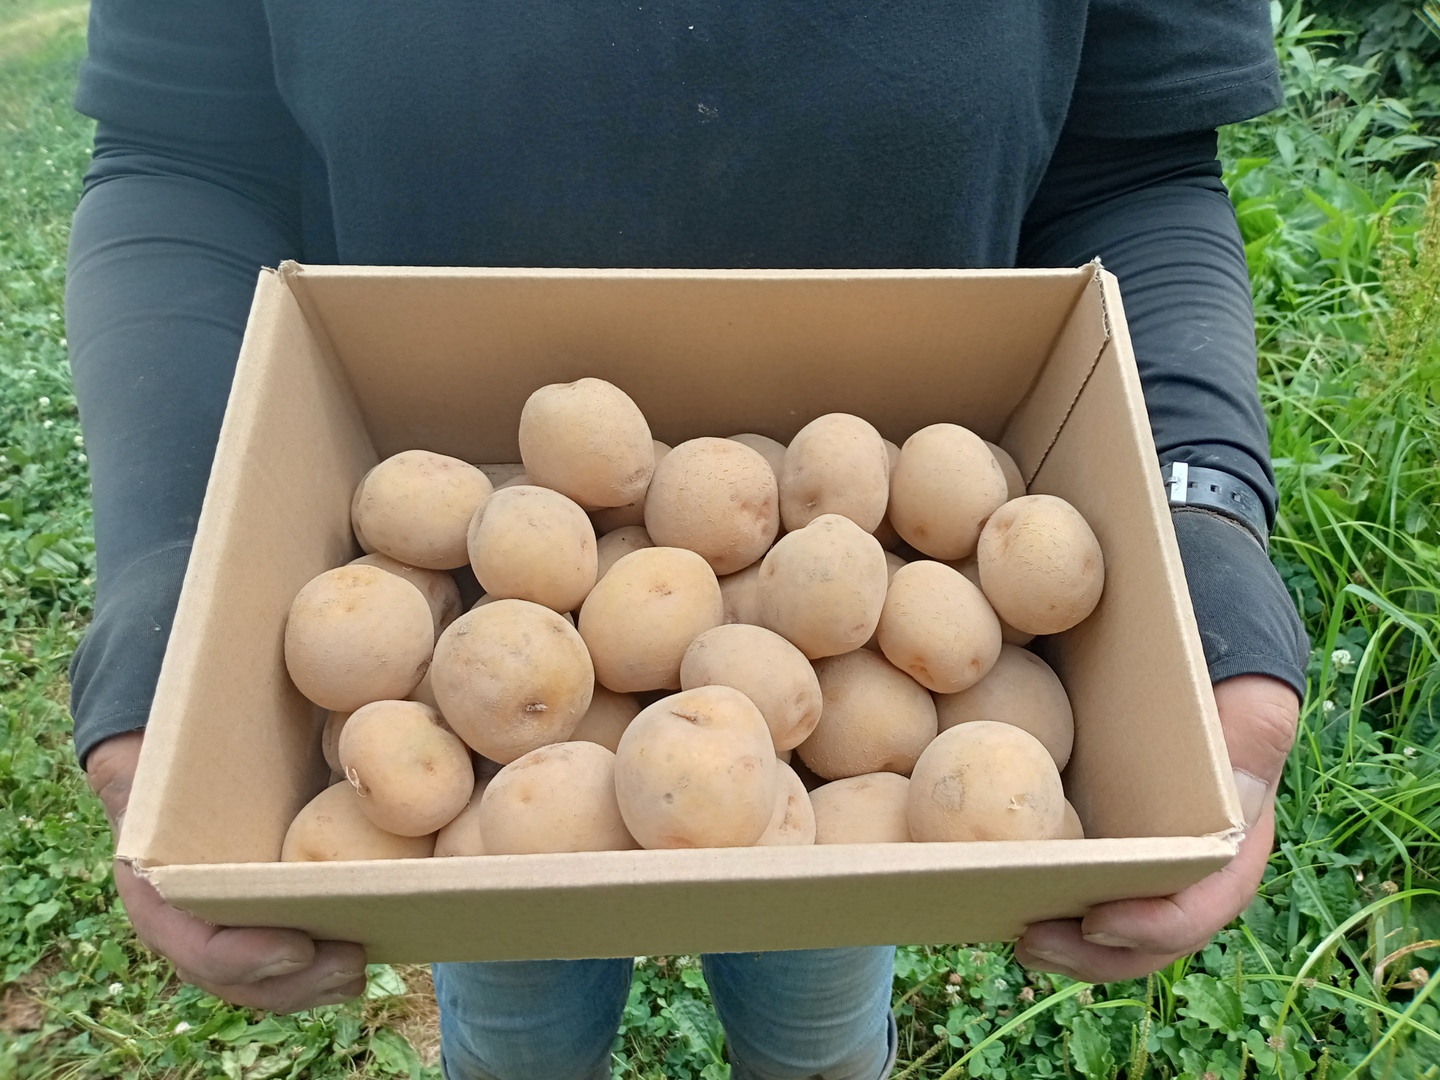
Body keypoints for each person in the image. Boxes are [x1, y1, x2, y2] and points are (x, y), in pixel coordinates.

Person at [69, 3, 1309, 1077]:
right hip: (502, 781)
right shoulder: (510, 627)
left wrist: (1199, 537)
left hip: (826, 792)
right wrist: (175, 583)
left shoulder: (862, 638)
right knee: (517, 1013)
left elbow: (1137, 165)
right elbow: (181, 156)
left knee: (817, 1017)